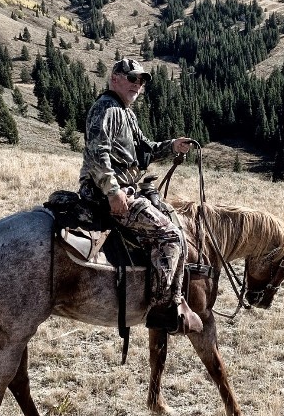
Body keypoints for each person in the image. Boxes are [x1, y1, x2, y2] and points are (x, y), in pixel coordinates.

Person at [79, 58, 203, 335]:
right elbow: (96, 153)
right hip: (106, 193)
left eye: (142, 81)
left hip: (127, 189)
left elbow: (144, 150)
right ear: (115, 79)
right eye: (132, 78)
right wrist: (112, 192)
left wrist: (172, 145)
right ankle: (162, 309)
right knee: (170, 236)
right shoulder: (106, 109)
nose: (138, 85)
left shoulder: (127, 114)